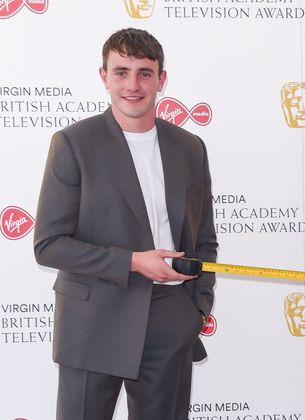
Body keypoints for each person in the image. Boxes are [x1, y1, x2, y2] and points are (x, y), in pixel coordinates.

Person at [33, 28, 218, 420]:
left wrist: (196, 311)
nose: (133, 85)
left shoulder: (190, 148)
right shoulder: (73, 143)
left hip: (169, 319)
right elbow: (48, 244)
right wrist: (133, 261)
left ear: (161, 80)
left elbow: (204, 241)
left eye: (144, 73)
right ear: (104, 76)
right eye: (121, 72)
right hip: (92, 320)